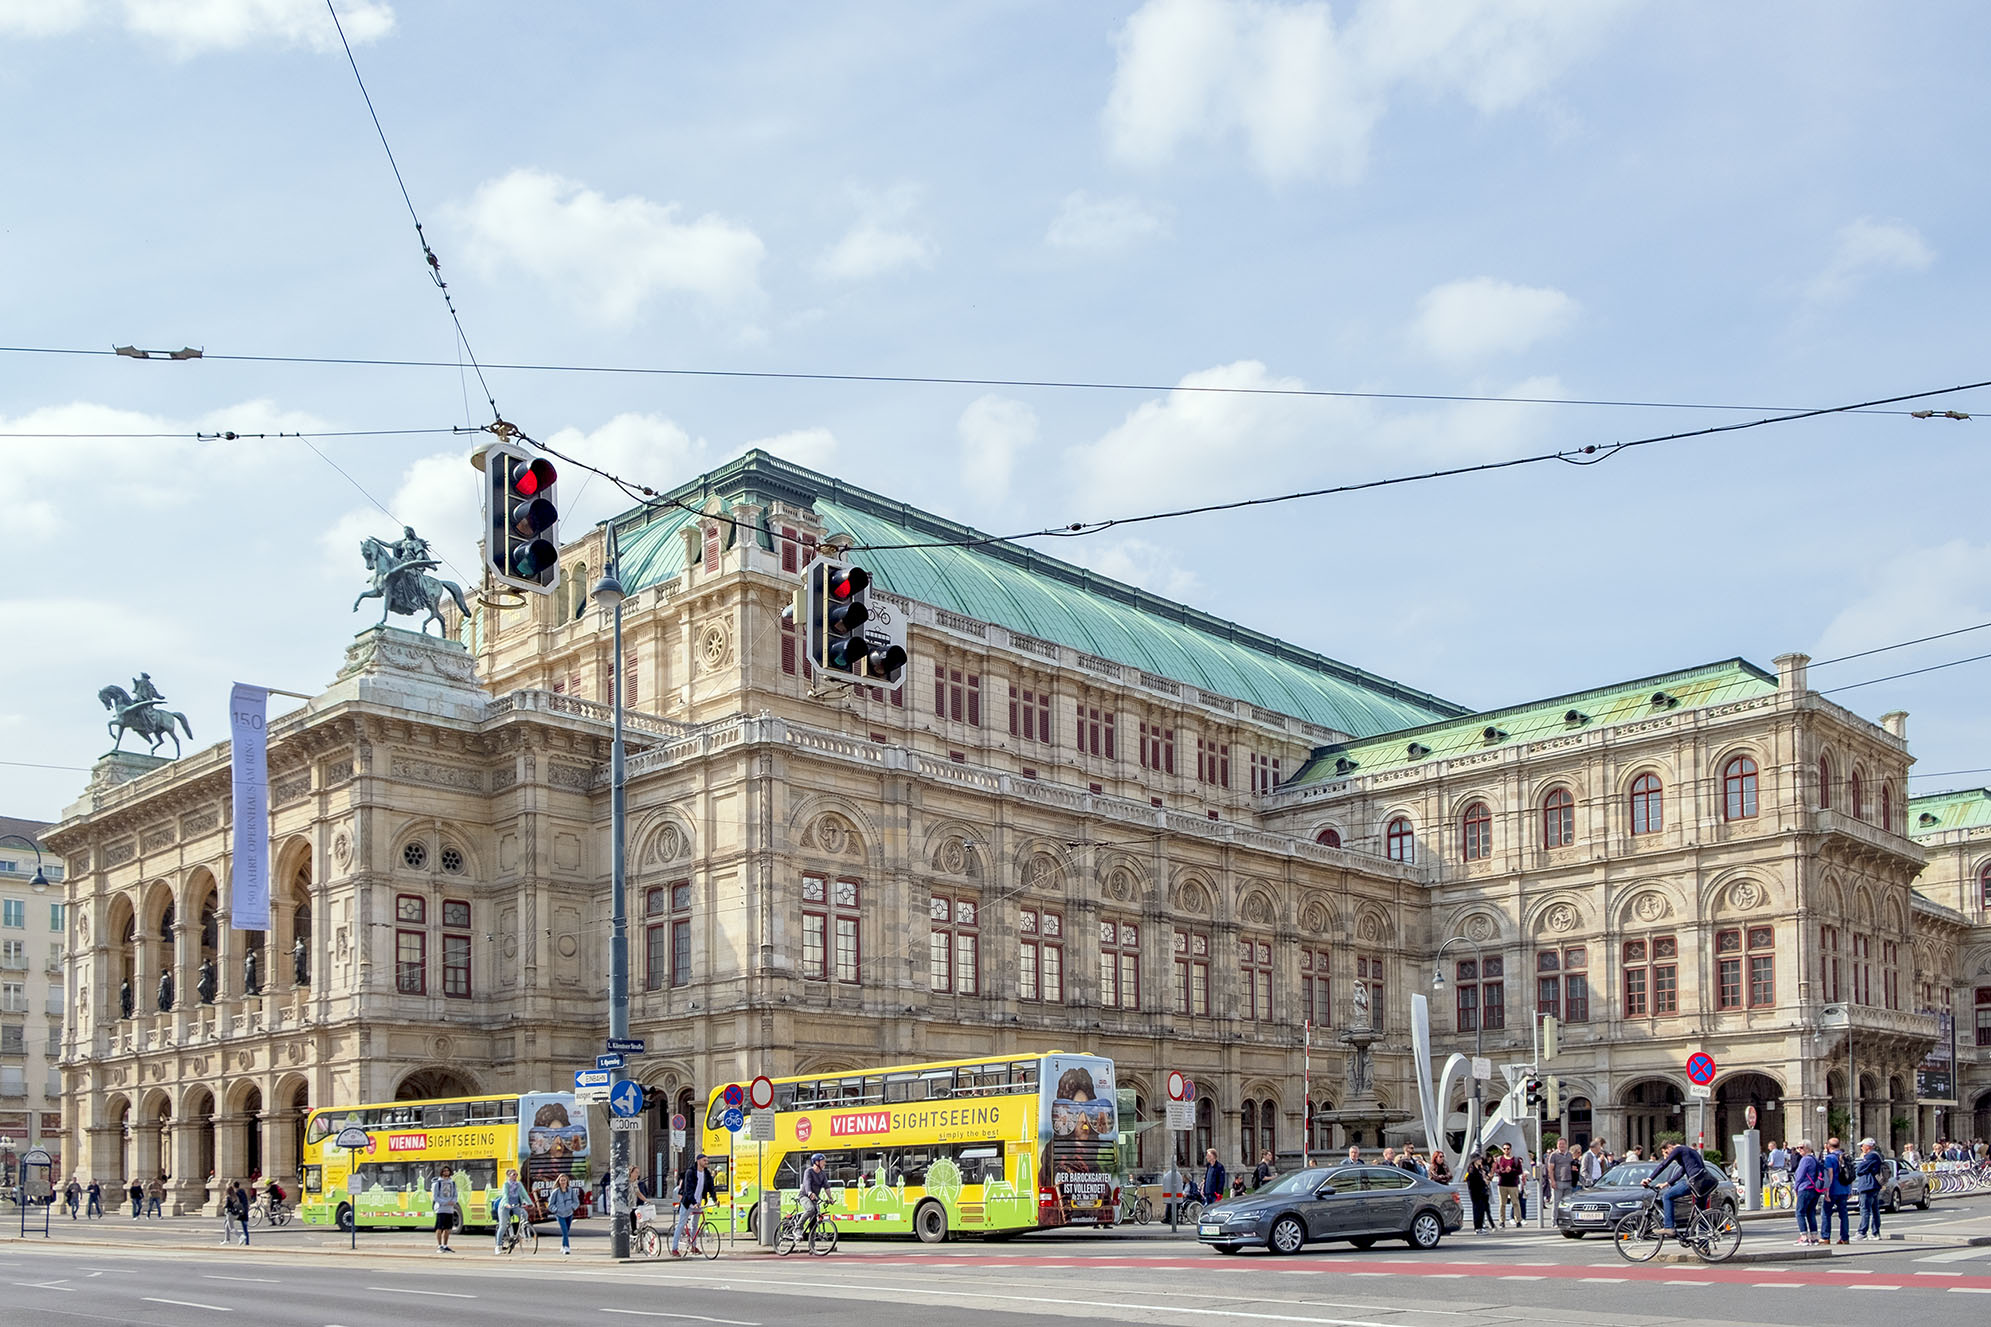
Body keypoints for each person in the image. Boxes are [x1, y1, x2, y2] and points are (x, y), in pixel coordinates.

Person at [1642, 1140, 1714, 1236]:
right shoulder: (1690, 1151)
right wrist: (1667, 1183)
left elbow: (1664, 1164)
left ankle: (1669, 1227)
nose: (1666, 1156)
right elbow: (1682, 1172)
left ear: (1670, 1147)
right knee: (1701, 1214)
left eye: (1666, 1153)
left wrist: (1649, 1178)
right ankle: (1703, 1246)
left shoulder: (1678, 1149)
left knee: (1667, 1196)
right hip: (1704, 1183)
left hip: (1694, 1182)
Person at [672, 1154, 718, 1257]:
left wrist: (715, 1199)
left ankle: (693, 1246)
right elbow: (688, 1190)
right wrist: (693, 1203)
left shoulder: (706, 1173)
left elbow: (711, 1187)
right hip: (688, 1202)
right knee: (681, 1224)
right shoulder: (691, 1172)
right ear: (698, 1161)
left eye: (707, 1160)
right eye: (704, 1160)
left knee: (695, 1224)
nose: (706, 1162)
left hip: (698, 1202)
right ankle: (674, 1249)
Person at [1853, 1137, 1887, 1240]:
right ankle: (1875, 1232)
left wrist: (1863, 1163)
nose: (1861, 1148)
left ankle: (1862, 1232)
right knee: (1874, 1209)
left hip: (1868, 1185)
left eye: (1862, 1146)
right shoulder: (1877, 1155)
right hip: (1874, 1185)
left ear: (1868, 1146)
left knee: (1865, 1210)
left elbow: (1859, 1169)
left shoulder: (1871, 1156)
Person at [1791, 1140, 1824, 1245]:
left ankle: (1804, 1237)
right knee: (1811, 1212)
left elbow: (1799, 1176)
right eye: (1798, 1147)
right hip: (1814, 1189)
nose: (1799, 1150)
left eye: (1801, 1147)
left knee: (1800, 1212)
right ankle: (1814, 1237)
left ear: (1807, 1148)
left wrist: (1795, 1188)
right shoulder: (1814, 1158)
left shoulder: (1805, 1160)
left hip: (1804, 1188)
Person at [494, 1167, 532, 1253]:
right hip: (504, 1206)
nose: (515, 1176)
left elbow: (524, 1194)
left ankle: (522, 1229)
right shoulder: (506, 1185)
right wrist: (506, 1204)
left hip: (515, 1206)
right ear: (509, 1176)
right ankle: (498, 1246)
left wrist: (530, 1203)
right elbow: (505, 1195)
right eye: (514, 1174)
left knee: (524, 1214)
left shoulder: (518, 1184)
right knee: (503, 1226)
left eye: (516, 1174)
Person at [1823, 1137, 1852, 1245]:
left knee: (1826, 1213)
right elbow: (1850, 1174)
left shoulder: (1829, 1158)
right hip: (1844, 1189)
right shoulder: (1845, 1157)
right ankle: (1844, 1238)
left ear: (1828, 1146)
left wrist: (1826, 1190)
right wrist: (1849, 1189)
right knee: (1843, 1214)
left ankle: (1825, 1237)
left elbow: (1829, 1174)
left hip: (1833, 1190)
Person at [546, 1173, 581, 1255]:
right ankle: (567, 1247)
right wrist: (556, 1210)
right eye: (561, 1180)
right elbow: (550, 1205)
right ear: (559, 1181)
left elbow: (576, 1202)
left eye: (564, 1180)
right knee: (564, 1230)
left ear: (567, 1181)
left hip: (569, 1213)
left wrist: (572, 1207)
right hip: (560, 1214)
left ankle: (563, 1245)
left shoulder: (571, 1190)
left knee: (567, 1231)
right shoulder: (556, 1192)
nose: (563, 1182)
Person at [1492, 1143, 1523, 1228]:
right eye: (1505, 1149)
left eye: (1508, 1149)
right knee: (1502, 1204)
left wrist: (1511, 1170)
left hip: (1513, 1184)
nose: (1506, 1150)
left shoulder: (1515, 1160)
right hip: (1502, 1184)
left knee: (1515, 1203)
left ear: (1510, 1149)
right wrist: (1503, 1171)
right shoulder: (1499, 1159)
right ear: (1502, 1150)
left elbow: (1520, 1171)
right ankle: (1502, 1221)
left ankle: (1518, 1220)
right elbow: (1496, 1170)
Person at [431, 1163, 460, 1252]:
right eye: (444, 1171)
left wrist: (453, 1202)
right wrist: (444, 1202)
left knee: (448, 1228)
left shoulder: (452, 1183)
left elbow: (455, 1194)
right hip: (440, 1209)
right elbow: (435, 1196)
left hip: (450, 1209)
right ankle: (439, 1245)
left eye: (447, 1171)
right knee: (439, 1228)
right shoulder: (437, 1183)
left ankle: (445, 1245)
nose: (446, 1172)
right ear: (441, 1172)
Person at [799, 1153, 831, 1232]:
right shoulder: (808, 1171)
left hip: (814, 1197)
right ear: (817, 1162)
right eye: (823, 1161)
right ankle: (798, 1227)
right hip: (804, 1196)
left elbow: (826, 1187)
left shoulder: (822, 1174)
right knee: (810, 1209)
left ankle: (812, 1243)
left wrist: (830, 1198)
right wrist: (810, 1193)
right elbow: (807, 1183)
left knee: (814, 1220)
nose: (825, 1163)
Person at [1464, 1153, 1491, 1233]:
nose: (1480, 1160)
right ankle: (1477, 1227)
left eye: (1480, 1159)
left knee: (1481, 1209)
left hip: (1481, 1191)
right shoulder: (1472, 1170)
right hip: (1475, 1192)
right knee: (1477, 1209)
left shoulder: (1479, 1169)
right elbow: (1471, 1183)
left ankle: (1480, 1226)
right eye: (1478, 1159)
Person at [1547, 1137, 1575, 1208]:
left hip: (1569, 1182)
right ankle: (1555, 1219)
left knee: (1567, 1203)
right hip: (1558, 1182)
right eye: (1560, 1144)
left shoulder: (1570, 1155)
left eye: (1563, 1144)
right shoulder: (1553, 1155)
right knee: (1557, 1203)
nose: (1561, 1146)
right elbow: (1550, 1169)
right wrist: (1552, 1181)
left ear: (1566, 1145)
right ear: (1557, 1145)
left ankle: (1564, 1218)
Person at [224, 1179, 251, 1245]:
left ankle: (241, 1237)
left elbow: (229, 1205)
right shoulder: (241, 1193)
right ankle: (227, 1240)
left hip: (239, 1212)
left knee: (231, 1227)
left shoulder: (234, 1195)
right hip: (242, 1211)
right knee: (227, 1225)